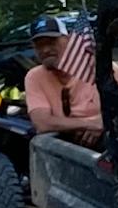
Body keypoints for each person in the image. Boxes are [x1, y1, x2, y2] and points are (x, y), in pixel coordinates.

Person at [22, 17, 103, 147]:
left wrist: (105, 122)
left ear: (69, 40)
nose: (45, 50)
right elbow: (43, 123)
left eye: (51, 42)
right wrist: (93, 124)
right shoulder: (34, 77)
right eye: (39, 45)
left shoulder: (96, 66)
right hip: (66, 146)